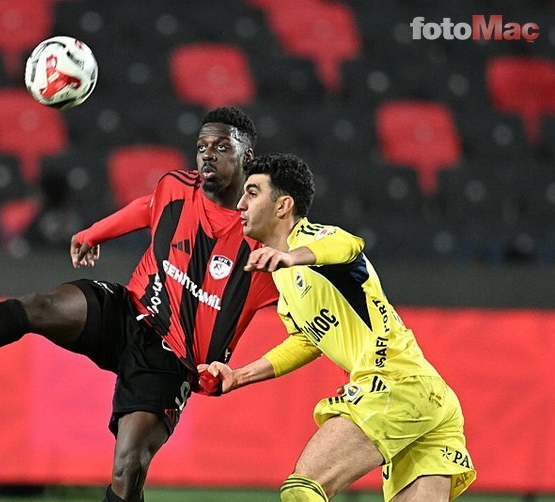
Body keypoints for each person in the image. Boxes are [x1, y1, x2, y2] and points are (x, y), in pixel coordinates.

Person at [0, 107, 279, 502]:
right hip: (129, 311)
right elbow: (147, 207)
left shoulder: (265, 237)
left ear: (246, 157)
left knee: (129, 467)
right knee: (43, 306)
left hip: (170, 361)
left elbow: (305, 290)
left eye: (221, 147)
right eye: (201, 146)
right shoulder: (177, 186)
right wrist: (95, 232)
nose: (207, 154)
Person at [199, 153, 476, 501]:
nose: (240, 204)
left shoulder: (314, 240)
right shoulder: (284, 278)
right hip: (427, 397)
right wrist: (240, 375)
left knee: (302, 491)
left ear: (283, 205)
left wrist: (292, 256)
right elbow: (306, 341)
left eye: (252, 193)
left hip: (395, 385)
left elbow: (348, 246)